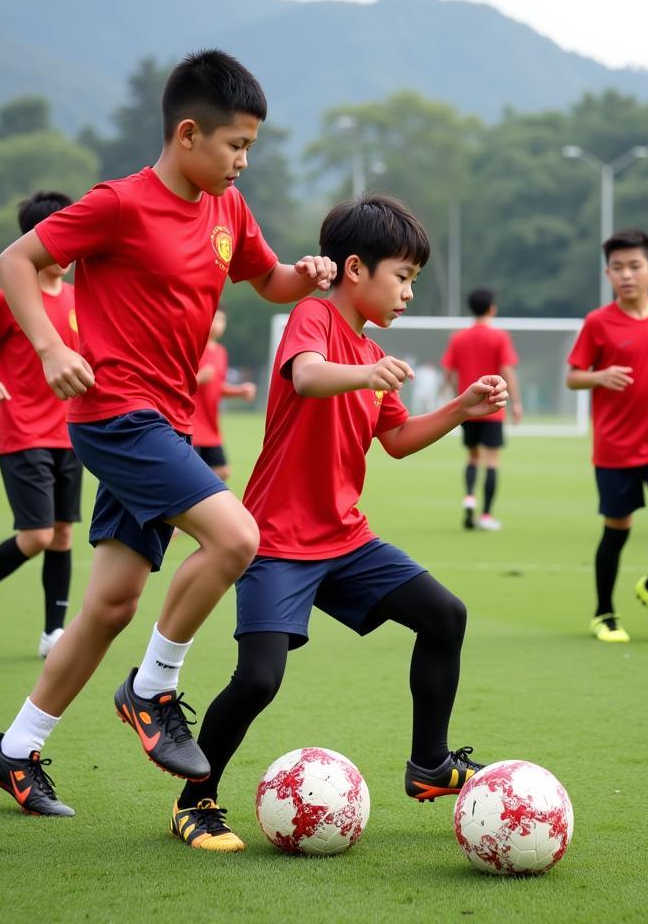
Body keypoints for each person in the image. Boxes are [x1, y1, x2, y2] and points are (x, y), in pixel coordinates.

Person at [0, 49, 336, 818]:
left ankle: (13, 749)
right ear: (186, 135)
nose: (244, 161)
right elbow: (17, 260)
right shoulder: (119, 204)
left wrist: (303, 276)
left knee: (109, 605)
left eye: (251, 148)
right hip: (115, 417)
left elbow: (265, 281)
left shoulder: (228, 210)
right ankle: (153, 689)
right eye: (236, 145)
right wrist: (50, 344)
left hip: (166, 424)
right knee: (237, 538)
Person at [168, 195, 507, 852]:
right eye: (402, 276)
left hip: (346, 541)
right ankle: (195, 800)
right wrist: (366, 373)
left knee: (446, 615)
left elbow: (400, 439)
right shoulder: (314, 316)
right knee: (260, 678)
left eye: (412, 279)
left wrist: (461, 408)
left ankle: (430, 764)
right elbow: (308, 378)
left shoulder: (365, 350)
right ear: (356, 268)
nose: (408, 291)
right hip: (276, 543)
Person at [0, 191, 82, 660]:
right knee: (37, 536)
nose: (68, 248)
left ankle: (53, 632)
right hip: (23, 431)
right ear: (37, 239)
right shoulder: (9, 297)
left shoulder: (76, 298)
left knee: (63, 534)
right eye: (60, 235)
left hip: (70, 432)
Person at [566, 229, 648, 643]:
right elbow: (573, 377)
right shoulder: (598, 322)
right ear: (608, 274)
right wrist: (601, 376)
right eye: (618, 268)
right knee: (617, 531)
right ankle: (604, 613)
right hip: (615, 445)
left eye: (635, 266)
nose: (627, 275)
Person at [441, 287, 521, 530]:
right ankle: (485, 515)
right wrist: (516, 402)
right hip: (493, 408)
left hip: (468, 409)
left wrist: (456, 398)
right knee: (492, 460)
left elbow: (449, 372)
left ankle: (469, 500)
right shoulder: (499, 337)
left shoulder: (459, 338)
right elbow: (507, 370)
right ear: (491, 308)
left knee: (472, 457)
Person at [192, 308, 257, 482]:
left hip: (210, 426)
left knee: (222, 471)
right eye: (214, 318)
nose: (218, 324)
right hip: (191, 425)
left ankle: (194, 499)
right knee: (193, 475)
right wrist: (199, 378)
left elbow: (217, 387)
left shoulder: (221, 352)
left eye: (221, 319)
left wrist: (240, 391)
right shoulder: (193, 348)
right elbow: (179, 385)